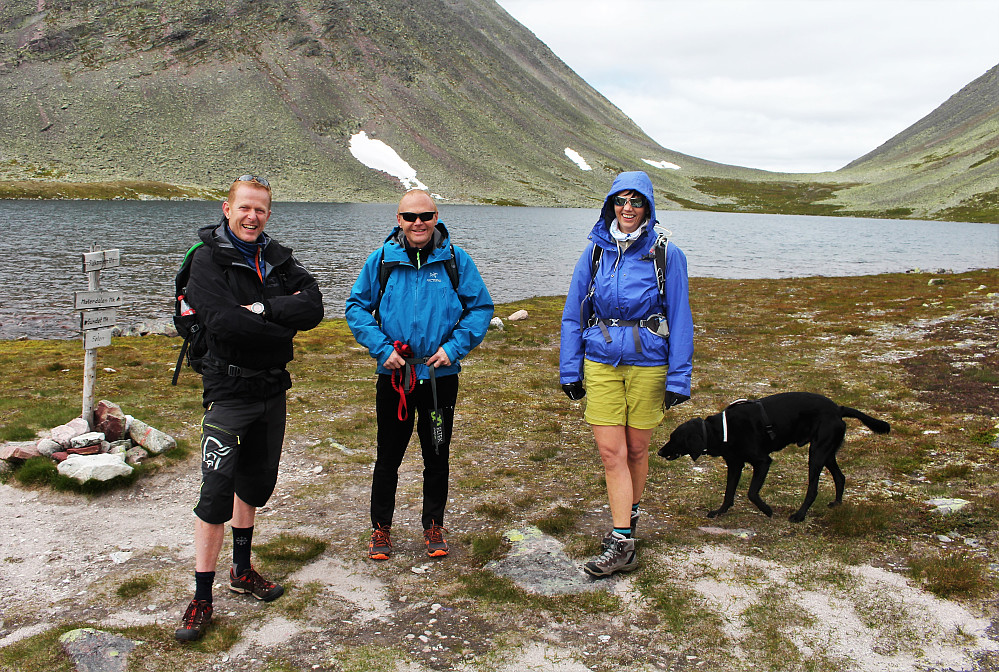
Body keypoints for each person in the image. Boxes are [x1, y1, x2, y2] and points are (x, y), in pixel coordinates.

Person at [175, 175, 324, 641]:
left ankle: (241, 572)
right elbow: (220, 321)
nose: (251, 216)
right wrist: (278, 317)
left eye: (260, 209)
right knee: (215, 491)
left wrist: (258, 311)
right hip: (228, 391)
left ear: (268, 213)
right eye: (244, 208)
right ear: (227, 208)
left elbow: (314, 308)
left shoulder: (278, 257)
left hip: (271, 390)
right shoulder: (205, 261)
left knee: (254, 483)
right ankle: (202, 596)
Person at [559, 170, 694, 578]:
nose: (628, 208)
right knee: (610, 453)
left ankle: (627, 521)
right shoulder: (595, 252)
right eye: (621, 200)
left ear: (647, 206)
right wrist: (570, 368)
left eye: (636, 201)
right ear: (610, 205)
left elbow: (681, 316)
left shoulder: (666, 253)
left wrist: (678, 377)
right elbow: (573, 313)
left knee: (636, 451)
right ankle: (622, 542)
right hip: (600, 362)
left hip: (649, 364)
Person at [346, 189, 493, 561]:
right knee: (388, 455)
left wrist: (454, 348)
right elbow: (357, 307)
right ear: (399, 219)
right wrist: (383, 350)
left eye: (425, 216)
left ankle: (433, 525)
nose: (418, 223)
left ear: (436, 217)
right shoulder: (381, 260)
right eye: (410, 216)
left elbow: (480, 308)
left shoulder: (455, 261)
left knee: (437, 453)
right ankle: (380, 528)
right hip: (395, 378)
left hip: (440, 377)